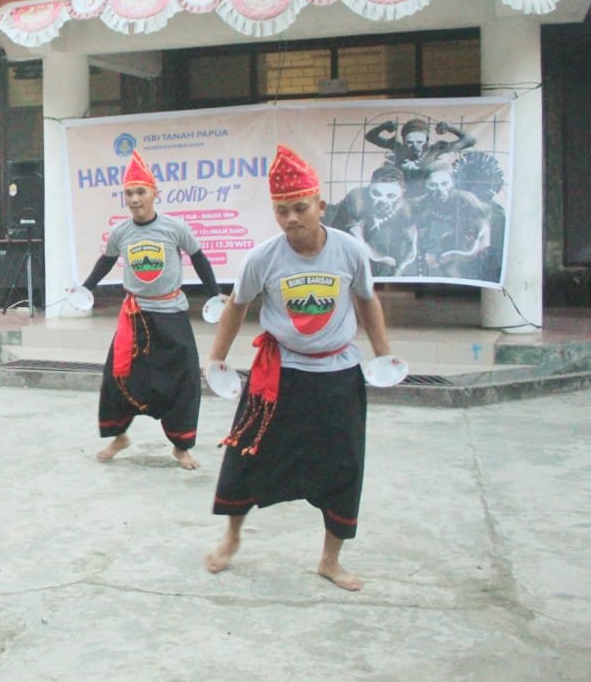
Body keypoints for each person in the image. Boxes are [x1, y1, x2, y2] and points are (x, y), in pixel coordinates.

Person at [204, 145, 392, 592]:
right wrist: (216, 358)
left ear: (321, 206)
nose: (292, 219)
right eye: (282, 210)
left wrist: (384, 354)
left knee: (343, 468)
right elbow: (236, 307)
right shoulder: (263, 258)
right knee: (244, 458)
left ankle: (330, 560)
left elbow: (367, 300)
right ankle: (231, 538)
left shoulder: (349, 251)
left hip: (338, 377)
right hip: (278, 376)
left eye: (300, 208)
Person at [75, 150, 221, 469]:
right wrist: (86, 286)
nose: (135, 199)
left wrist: (215, 295)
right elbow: (106, 261)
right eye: (129, 193)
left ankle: (181, 447)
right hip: (135, 317)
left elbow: (198, 258)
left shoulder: (175, 228)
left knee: (184, 381)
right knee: (118, 377)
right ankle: (120, 435)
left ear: (155, 194)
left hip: (172, 315)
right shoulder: (121, 232)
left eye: (141, 192)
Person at [364, 117, 475, 196]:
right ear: (404, 141)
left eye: (419, 141)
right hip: (403, 198)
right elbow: (370, 136)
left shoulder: (436, 150)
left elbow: (470, 141)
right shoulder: (398, 148)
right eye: (410, 142)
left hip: (428, 198)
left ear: (427, 140)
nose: (415, 146)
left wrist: (451, 128)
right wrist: (382, 127)